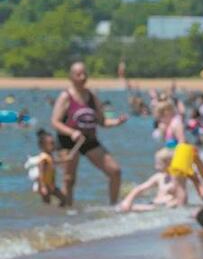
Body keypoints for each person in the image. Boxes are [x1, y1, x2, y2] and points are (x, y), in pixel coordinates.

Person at [51, 61, 128, 205]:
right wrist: (71, 132)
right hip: (68, 142)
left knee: (115, 171)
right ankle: (67, 212)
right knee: (69, 180)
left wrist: (117, 122)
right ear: (71, 77)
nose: (82, 77)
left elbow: (102, 121)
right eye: (78, 74)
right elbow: (55, 122)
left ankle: (113, 206)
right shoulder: (65, 96)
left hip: (89, 140)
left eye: (84, 73)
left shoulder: (92, 96)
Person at [116, 148, 187, 213]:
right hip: (153, 205)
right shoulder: (158, 177)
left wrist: (175, 203)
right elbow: (140, 188)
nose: (155, 167)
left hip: (168, 206)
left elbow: (182, 196)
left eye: (159, 164)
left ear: (168, 163)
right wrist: (128, 201)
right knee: (122, 208)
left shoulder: (178, 178)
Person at [30, 129, 67, 206]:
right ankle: (46, 216)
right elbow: (41, 173)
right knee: (47, 203)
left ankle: (57, 213)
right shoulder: (43, 158)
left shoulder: (50, 156)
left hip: (51, 184)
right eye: (51, 144)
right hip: (44, 185)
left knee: (63, 199)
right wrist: (43, 187)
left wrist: (66, 159)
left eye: (54, 143)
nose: (54, 146)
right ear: (43, 146)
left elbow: (55, 162)